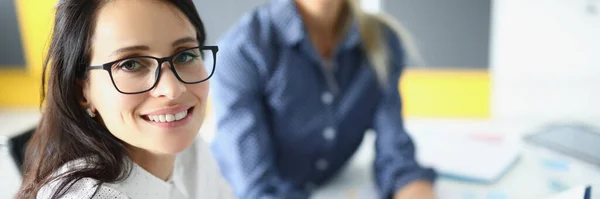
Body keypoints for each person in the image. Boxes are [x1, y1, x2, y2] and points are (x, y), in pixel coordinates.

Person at [210, 0, 437, 198]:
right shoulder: (241, 51)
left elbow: (396, 155)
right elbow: (255, 189)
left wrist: (414, 188)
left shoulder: (382, 41)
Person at [16, 0, 232, 198]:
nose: (173, 90)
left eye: (185, 55)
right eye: (130, 64)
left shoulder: (190, 146)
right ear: (82, 91)